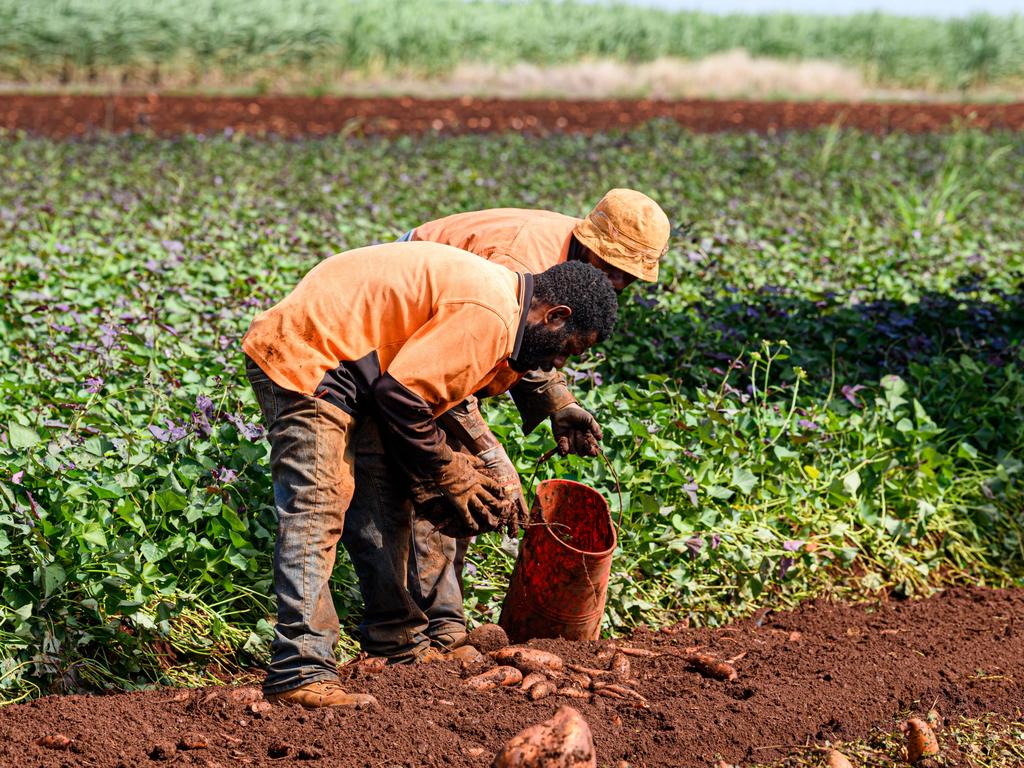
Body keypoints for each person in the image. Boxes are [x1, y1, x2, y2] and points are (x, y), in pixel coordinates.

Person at [242, 241, 618, 708]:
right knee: (317, 508)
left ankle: (398, 644)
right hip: (309, 355)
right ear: (556, 316)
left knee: (385, 502)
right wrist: (448, 470)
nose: (558, 364)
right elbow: (401, 397)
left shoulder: (501, 302)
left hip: (356, 370)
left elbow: (426, 391)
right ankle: (299, 669)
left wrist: (459, 468)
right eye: (569, 349)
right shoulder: (493, 315)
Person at [393, 189, 670, 651]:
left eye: (629, 277)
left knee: (466, 480)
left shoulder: (570, 268)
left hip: (455, 335)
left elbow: (527, 342)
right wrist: (491, 454)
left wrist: (558, 403)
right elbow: (455, 369)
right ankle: (433, 632)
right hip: (414, 323)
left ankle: (443, 622)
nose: (618, 283)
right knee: (442, 476)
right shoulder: (518, 260)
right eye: (613, 268)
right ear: (590, 242)